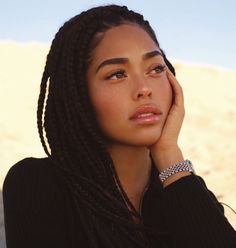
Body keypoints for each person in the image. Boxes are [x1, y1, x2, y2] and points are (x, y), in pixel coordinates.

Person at [2, 4, 236, 248]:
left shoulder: (181, 188)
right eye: (117, 74)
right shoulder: (39, 184)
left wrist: (168, 154)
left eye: (156, 68)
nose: (144, 88)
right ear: (78, 95)